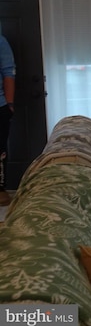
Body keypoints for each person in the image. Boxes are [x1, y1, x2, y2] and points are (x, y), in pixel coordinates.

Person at [0, 34, 15, 206]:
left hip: (1, 106)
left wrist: (9, 105)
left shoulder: (1, 41)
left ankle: (0, 188)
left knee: (0, 149)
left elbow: (8, 72)